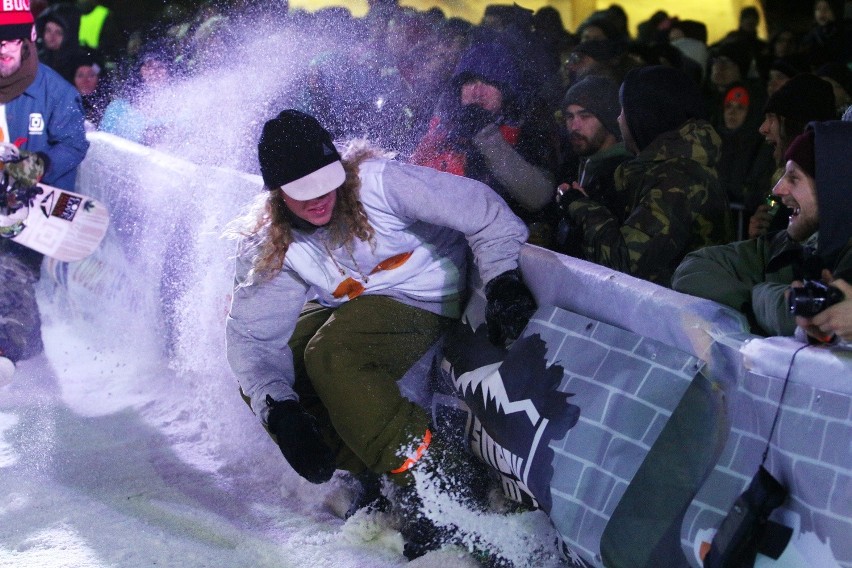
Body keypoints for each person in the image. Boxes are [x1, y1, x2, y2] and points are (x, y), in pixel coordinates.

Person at [225, 109, 535, 559]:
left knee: (332, 354)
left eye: (326, 181)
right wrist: (280, 413)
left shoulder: (379, 184)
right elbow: (253, 339)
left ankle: (439, 479)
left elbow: (482, 210)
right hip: (354, 302)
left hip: (424, 292)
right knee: (285, 364)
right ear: (275, 194)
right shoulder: (273, 238)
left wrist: (503, 276)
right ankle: (375, 474)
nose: (319, 201)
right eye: (301, 193)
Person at [672, 122, 852, 340]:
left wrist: (764, 295)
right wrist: (759, 305)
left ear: (833, 187)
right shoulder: (784, 243)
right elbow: (693, 269)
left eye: (794, 178)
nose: (763, 127)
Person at [557, 65, 732, 286]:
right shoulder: (661, 169)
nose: (619, 119)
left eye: (623, 110)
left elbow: (625, 263)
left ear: (644, 115)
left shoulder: (678, 179)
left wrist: (579, 206)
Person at [0, 0, 89, 382]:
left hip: (33, 211)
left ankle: (7, 350)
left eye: (9, 40)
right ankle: (27, 350)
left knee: (9, 272)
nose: (1, 48)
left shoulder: (54, 91)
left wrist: (41, 164)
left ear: (28, 39)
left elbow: (74, 144)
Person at [409, 40, 558, 244]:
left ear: (506, 91)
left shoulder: (527, 134)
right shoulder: (440, 130)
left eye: (489, 83)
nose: (477, 91)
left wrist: (486, 137)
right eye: (469, 82)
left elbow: (539, 197)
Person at [749, 73, 836, 238]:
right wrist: (760, 236)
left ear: (796, 125)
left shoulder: (826, 184)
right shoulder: (777, 178)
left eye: (772, 118)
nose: (763, 128)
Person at [555, 74, 631, 255]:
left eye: (585, 116)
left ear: (608, 119)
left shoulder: (626, 173)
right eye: (569, 117)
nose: (574, 126)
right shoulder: (572, 163)